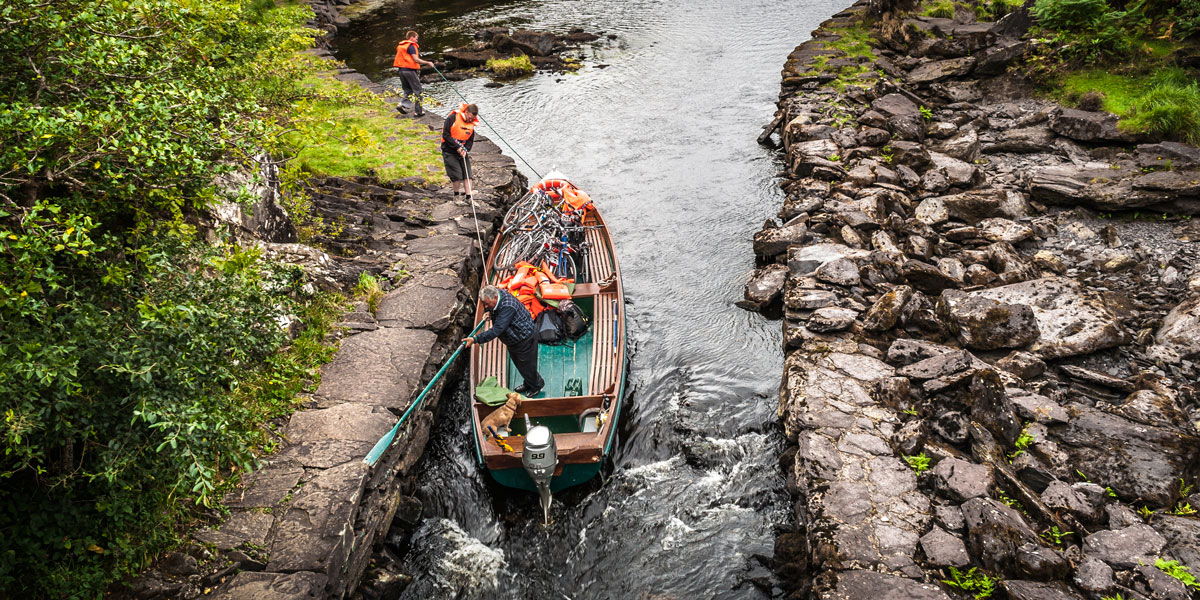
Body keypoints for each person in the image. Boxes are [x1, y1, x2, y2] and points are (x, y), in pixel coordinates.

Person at [464, 285, 544, 396]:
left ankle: (536, 386)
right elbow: (494, 310)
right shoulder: (497, 297)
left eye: (487, 304)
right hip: (513, 340)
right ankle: (529, 382)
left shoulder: (508, 306)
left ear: (495, 297)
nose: (486, 306)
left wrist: (475, 339)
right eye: (484, 304)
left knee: (527, 365)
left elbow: (497, 330)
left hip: (524, 339)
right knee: (520, 364)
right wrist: (490, 313)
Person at [442, 103, 478, 199]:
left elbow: (470, 140)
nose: (470, 120)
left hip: (462, 151)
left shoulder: (471, 124)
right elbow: (446, 135)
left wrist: (466, 150)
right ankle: (456, 196)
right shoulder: (452, 118)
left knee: (468, 175)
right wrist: (457, 147)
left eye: (472, 119)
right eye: (469, 118)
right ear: (466, 112)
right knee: (457, 176)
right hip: (449, 151)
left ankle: (469, 197)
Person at [393, 30, 434, 116]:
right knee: (418, 91)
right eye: (416, 38)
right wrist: (428, 63)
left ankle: (402, 104)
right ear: (411, 37)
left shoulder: (401, 46)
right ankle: (418, 111)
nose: (417, 40)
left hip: (401, 71)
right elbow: (416, 59)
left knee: (408, 90)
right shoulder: (411, 46)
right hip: (409, 71)